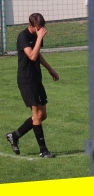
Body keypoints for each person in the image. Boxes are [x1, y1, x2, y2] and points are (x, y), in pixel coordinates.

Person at [6, 13, 59, 158]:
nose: (41, 30)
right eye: (39, 27)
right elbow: (32, 56)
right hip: (26, 80)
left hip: (36, 79)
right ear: (32, 25)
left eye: (42, 27)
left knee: (42, 115)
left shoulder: (37, 34)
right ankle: (43, 151)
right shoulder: (22, 36)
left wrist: (50, 69)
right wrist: (39, 37)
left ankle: (14, 135)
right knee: (36, 114)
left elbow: (38, 55)